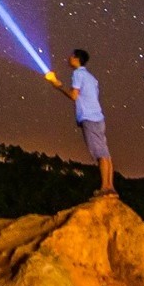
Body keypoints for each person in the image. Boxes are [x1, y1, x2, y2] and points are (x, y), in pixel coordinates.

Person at [46, 49, 114, 195]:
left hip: (89, 118)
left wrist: (58, 86)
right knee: (105, 153)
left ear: (76, 58)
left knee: (100, 153)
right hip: (99, 117)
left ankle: (105, 188)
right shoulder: (91, 77)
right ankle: (110, 187)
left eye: (71, 56)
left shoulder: (78, 74)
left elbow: (74, 96)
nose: (69, 58)